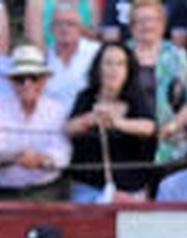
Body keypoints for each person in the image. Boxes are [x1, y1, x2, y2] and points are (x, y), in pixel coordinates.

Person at [65, 40, 157, 201]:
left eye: (120, 64)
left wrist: (117, 123)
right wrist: (91, 119)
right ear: (98, 67)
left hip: (131, 190)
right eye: (108, 63)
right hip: (89, 188)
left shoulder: (137, 99)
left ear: (128, 70)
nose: (113, 70)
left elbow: (149, 127)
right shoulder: (86, 97)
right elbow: (69, 128)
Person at [0, 44, 70, 199]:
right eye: (20, 79)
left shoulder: (57, 110)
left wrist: (39, 160)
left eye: (33, 77)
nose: (27, 84)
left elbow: (63, 155)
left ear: (44, 80)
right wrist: (16, 156)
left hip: (46, 191)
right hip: (6, 192)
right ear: (11, 81)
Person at [126, 0, 187, 168]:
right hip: (130, 143)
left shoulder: (176, 55)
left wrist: (172, 127)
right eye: (140, 21)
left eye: (152, 20)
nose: (146, 26)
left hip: (170, 145)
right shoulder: (122, 53)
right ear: (132, 26)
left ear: (162, 24)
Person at [42, 0, 98, 111]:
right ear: (51, 29)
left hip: (86, 117)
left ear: (80, 29)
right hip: (51, 119)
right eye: (59, 24)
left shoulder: (95, 53)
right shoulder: (44, 57)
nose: (64, 29)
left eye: (70, 24)